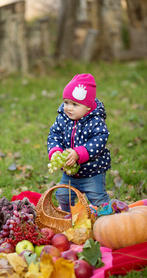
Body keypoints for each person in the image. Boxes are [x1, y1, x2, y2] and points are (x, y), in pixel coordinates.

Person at [47, 73, 111, 212]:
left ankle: (107, 218)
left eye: (75, 104)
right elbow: (54, 135)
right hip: (70, 172)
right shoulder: (63, 118)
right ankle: (68, 216)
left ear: (88, 107)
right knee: (62, 195)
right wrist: (55, 150)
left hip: (92, 171)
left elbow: (98, 141)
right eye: (66, 102)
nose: (69, 108)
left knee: (97, 197)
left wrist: (78, 153)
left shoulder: (96, 121)